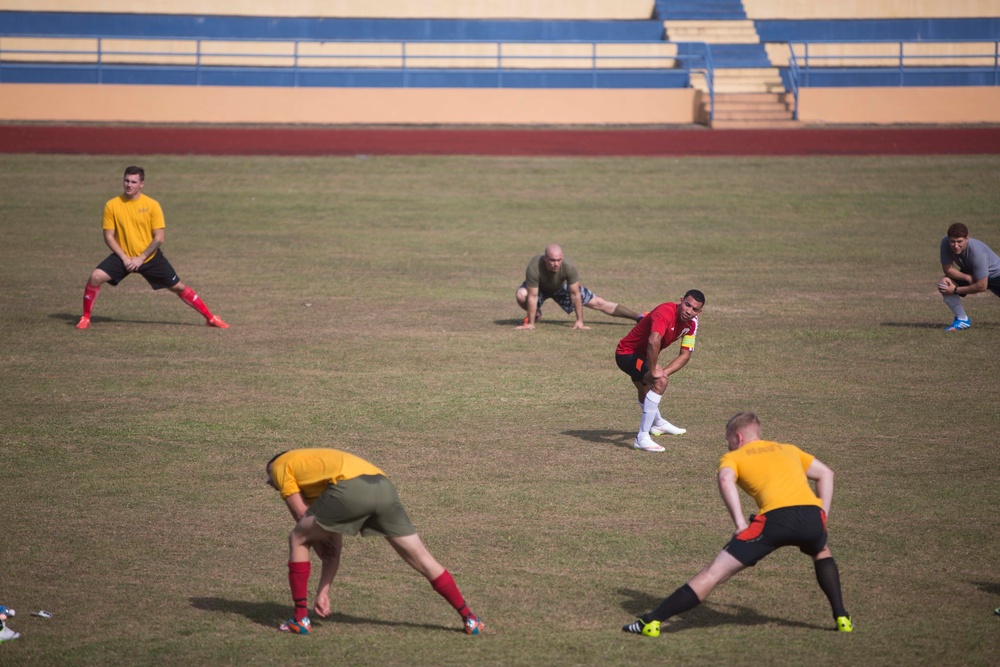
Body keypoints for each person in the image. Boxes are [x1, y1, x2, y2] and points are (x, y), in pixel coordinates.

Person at [622, 412, 852, 637]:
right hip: (811, 516)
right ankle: (842, 616)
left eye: (728, 439)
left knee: (713, 574)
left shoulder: (734, 457)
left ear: (738, 437)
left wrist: (740, 522)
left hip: (774, 521)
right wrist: (821, 515)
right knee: (821, 553)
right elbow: (826, 474)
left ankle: (651, 621)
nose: (728, 444)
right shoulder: (789, 449)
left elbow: (725, 479)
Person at [266, 448, 483, 636]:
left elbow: (300, 514)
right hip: (383, 485)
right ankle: (470, 618)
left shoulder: (280, 465)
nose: (270, 483)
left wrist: (313, 540)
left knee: (297, 537)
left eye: (270, 480)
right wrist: (323, 591)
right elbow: (332, 550)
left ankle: (300, 619)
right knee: (422, 558)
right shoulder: (316, 474)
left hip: (353, 488)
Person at [75, 166, 228, 330]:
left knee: (178, 287)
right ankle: (86, 318)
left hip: (149, 257)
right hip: (123, 257)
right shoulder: (112, 205)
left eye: (133, 182)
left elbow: (159, 238)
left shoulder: (152, 205)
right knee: (95, 277)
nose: (129, 185)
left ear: (142, 184)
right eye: (126, 181)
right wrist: (126, 259)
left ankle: (210, 318)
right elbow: (109, 237)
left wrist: (141, 258)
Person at [615, 290, 704, 452]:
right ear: (680, 301)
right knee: (659, 382)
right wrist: (655, 370)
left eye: (694, 309)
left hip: (642, 356)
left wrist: (662, 372)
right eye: (687, 305)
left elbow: (685, 355)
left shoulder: (692, 323)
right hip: (626, 353)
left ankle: (658, 424)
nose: (689, 311)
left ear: (699, 312)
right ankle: (641, 437)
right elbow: (653, 340)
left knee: (647, 388)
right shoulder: (665, 312)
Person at [515, 244, 644, 330]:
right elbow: (532, 295)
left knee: (599, 302)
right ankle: (535, 315)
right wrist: (531, 324)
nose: (556, 264)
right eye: (552, 260)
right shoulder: (534, 266)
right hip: (540, 288)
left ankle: (639, 317)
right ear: (545, 258)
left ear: (563, 258)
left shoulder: (569, 266)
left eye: (559, 260)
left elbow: (575, 294)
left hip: (561, 287)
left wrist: (579, 321)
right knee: (521, 294)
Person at [936, 223, 1000, 331]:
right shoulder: (945, 243)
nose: (956, 246)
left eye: (959, 241)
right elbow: (948, 269)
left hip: (996, 276)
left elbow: (982, 286)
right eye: (952, 241)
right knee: (944, 283)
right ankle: (962, 320)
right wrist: (967, 278)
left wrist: (955, 290)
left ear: (967, 239)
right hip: (972, 273)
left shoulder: (977, 253)